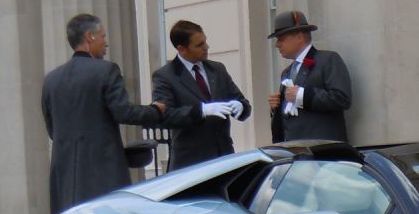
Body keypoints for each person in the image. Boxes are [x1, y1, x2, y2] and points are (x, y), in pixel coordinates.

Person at [42, 13, 170, 214]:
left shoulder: (51, 79)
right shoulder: (106, 70)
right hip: (102, 172)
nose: (106, 43)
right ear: (89, 37)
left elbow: (52, 129)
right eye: (103, 36)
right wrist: (155, 111)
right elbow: (124, 112)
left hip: (64, 175)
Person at [151, 19, 250, 169]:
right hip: (190, 162)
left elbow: (242, 102)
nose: (206, 47)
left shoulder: (217, 70)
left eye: (205, 42)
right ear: (182, 49)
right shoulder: (166, 76)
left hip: (223, 157)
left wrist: (241, 107)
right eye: (199, 45)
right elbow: (166, 116)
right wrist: (201, 111)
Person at [266, 10, 352, 143]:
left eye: (281, 39)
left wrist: (303, 95)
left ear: (299, 37)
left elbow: (341, 98)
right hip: (294, 150)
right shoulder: (287, 72)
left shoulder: (328, 60)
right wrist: (277, 107)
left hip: (322, 150)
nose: (277, 45)